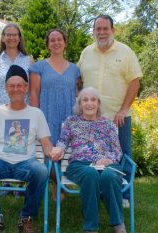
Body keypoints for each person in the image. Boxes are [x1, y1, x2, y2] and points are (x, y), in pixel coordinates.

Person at [0, 65, 54, 233]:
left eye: (20, 85)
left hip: (26, 162)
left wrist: (52, 151)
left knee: (41, 171)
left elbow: (46, 142)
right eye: (11, 86)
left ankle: (26, 218)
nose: (16, 89)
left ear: (26, 88)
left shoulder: (36, 113)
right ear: (6, 89)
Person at [77, 15, 143, 203]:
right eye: (98, 29)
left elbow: (135, 82)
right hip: (92, 118)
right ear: (94, 31)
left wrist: (123, 110)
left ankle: (124, 195)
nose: (102, 32)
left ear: (112, 30)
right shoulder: (86, 53)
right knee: (93, 154)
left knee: (123, 155)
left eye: (105, 29)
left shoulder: (126, 52)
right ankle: (99, 191)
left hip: (117, 117)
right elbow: (78, 80)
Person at [52, 87, 127, 233]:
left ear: (98, 103)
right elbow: (62, 141)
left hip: (107, 164)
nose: (89, 103)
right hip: (80, 165)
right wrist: (58, 149)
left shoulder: (108, 124)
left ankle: (118, 223)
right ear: (79, 104)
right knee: (90, 174)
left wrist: (107, 159)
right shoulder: (71, 121)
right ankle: (91, 228)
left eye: (93, 100)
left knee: (109, 176)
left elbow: (117, 151)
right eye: (85, 100)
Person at [29, 29, 80, 200]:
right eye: (52, 40)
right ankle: (56, 183)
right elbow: (34, 93)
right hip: (46, 115)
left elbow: (77, 94)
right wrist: (37, 118)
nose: (56, 42)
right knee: (48, 152)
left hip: (68, 117)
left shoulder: (75, 70)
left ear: (65, 43)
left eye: (59, 39)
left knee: (66, 151)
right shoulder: (38, 67)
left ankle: (60, 184)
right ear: (48, 45)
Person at [0, 23, 33, 116]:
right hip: (0, 111)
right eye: (8, 35)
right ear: (3, 38)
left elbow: (31, 88)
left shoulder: (29, 60)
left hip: (23, 111)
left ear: (19, 38)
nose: (11, 37)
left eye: (14, 35)